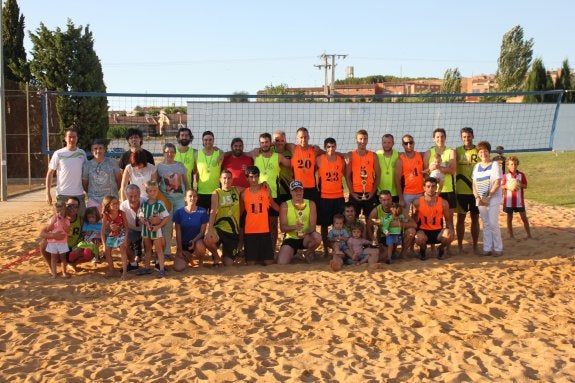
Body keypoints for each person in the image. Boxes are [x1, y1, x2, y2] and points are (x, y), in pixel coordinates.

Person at [250, 132, 291, 250]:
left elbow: (294, 163)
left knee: (273, 224)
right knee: (260, 223)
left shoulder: (277, 157)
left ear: (270, 143)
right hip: (258, 195)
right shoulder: (255, 156)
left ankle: (272, 250)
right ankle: (260, 248)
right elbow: (240, 153)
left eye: (266, 142)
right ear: (260, 143)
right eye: (262, 142)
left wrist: (290, 146)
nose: (264, 144)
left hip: (274, 195)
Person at [241, 165, 280, 265]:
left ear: (259, 177)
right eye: (251, 177)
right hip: (250, 232)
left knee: (269, 262)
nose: (254, 179)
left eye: (256, 176)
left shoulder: (266, 190)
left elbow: (273, 204)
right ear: (247, 178)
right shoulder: (244, 193)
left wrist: (285, 210)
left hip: (264, 231)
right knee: (251, 263)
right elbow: (240, 212)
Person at [277, 180, 322, 265]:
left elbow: (313, 226)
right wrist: (295, 227)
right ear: (290, 192)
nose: (298, 192)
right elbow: (283, 228)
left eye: (300, 190)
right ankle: (293, 253)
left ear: (303, 191)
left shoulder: (311, 204)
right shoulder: (285, 205)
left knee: (317, 237)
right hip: (291, 237)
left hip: (306, 237)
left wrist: (306, 232)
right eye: (295, 190)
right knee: (282, 262)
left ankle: (308, 252)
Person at [366, 190, 416, 264]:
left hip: (398, 233)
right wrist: (373, 239)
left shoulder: (397, 208)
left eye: (388, 199)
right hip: (386, 235)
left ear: (392, 199)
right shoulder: (376, 210)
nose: (386, 202)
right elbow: (368, 224)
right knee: (387, 253)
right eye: (384, 200)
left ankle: (403, 253)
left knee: (411, 231)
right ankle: (374, 258)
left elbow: (414, 224)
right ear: (380, 200)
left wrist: (399, 224)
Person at [204, 170, 241, 266]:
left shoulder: (236, 190)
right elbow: (212, 211)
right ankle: (216, 255)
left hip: (233, 231)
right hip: (220, 228)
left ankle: (223, 251)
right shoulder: (216, 193)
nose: (226, 180)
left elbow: (252, 189)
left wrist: (262, 184)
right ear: (220, 179)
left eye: (229, 178)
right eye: (224, 178)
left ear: (232, 180)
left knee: (228, 263)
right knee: (207, 239)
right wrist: (209, 230)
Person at [45, 129, 87, 215]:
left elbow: (86, 172)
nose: (72, 139)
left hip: (78, 194)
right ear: (65, 138)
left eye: (74, 137)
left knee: (81, 220)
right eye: (69, 137)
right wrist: (47, 193)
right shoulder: (58, 153)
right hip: (62, 194)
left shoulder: (82, 153)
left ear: (77, 138)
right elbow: (50, 173)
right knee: (61, 222)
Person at [157, 143, 188, 258]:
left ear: (175, 153)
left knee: (181, 226)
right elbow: (156, 184)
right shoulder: (159, 167)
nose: (169, 154)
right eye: (167, 152)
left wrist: (188, 195)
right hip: (167, 200)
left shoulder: (180, 165)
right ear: (164, 153)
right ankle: (166, 252)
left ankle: (182, 250)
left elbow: (186, 181)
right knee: (167, 226)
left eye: (172, 152)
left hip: (180, 200)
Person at [316, 137, 346, 257]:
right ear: (325, 148)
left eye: (333, 146)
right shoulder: (319, 159)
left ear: (336, 147)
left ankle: (336, 249)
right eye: (328, 147)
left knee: (337, 225)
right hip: (324, 196)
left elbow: (347, 176)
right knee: (324, 225)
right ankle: (325, 250)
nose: (331, 149)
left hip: (338, 196)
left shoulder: (341, 160)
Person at [472, 141, 503, 256]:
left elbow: (497, 182)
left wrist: (489, 196)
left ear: (489, 152)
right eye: (480, 151)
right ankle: (487, 248)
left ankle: (498, 248)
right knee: (485, 223)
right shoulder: (477, 166)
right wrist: (477, 197)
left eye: (485, 151)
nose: (483, 153)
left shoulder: (495, 165)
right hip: (480, 199)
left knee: (493, 223)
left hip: (492, 199)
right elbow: (474, 184)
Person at [413, 177, 454, 260]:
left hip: (438, 232)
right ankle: (423, 249)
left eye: (433, 186)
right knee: (418, 238)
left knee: (449, 235)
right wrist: (414, 232)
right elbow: (414, 219)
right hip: (424, 231)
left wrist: (451, 231)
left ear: (436, 187)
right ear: (424, 188)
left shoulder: (443, 203)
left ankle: (441, 249)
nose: (431, 189)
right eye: (428, 186)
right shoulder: (417, 202)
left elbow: (447, 220)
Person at [39, 197, 83, 272]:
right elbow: (42, 233)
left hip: (72, 250)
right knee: (43, 244)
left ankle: (70, 263)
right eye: (69, 206)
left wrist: (80, 247)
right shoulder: (55, 218)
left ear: (78, 208)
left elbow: (84, 236)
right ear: (65, 206)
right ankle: (51, 268)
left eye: (75, 206)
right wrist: (53, 235)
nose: (72, 208)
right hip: (57, 248)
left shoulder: (81, 220)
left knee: (88, 250)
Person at [136, 181, 170, 277]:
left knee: (158, 250)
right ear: (147, 192)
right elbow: (141, 215)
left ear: (157, 191)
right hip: (146, 230)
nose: (153, 193)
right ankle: (147, 268)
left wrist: (158, 226)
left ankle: (161, 269)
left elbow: (166, 217)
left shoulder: (159, 204)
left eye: (155, 190)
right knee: (147, 249)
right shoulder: (145, 204)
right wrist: (143, 220)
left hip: (156, 230)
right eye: (150, 191)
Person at [455, 127, 480, 254]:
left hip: (476, 192)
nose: (466, 139)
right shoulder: (457, 151)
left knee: (475, 218)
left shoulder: (479, 151)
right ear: (461, 138)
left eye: (468, 136)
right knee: (461, 219)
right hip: (461, 191)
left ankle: (475, 246)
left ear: (473, 136)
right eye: (464, 137)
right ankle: (459, 246)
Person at [345, 129, 380, 218]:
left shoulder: (373, 155)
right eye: (360, 139)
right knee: (352, 220)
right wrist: (352, 193)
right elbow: (347, 176)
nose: (363, 141)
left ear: (367, 140)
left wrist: (372, 192)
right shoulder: (351, 155)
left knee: (370, 220)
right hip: (355, 193)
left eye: (365, 139)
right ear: (356, 140)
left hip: (369, 193)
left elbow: (378, 176)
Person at [423, 128, 457, 221]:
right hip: (432, 191)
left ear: (445, 138)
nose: (440, 139)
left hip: (448, 189)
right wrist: (432, 179)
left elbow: (452, 171)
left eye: (442, 136)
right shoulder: (428, 153)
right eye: (437, 137)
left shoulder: (451, 151)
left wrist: (436, 168)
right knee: (436, 220)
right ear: (433, 138)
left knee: (449, 220)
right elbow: (425, 173)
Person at [173, 189, 209, 271]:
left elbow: (202, 232)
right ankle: (189, 258)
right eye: (190, 196)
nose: (192, 198)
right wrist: (180, 249)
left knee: (200, 245)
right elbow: (178, 232)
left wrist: (194, 240)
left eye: (195, 196)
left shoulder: (202, 211)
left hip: (197, 242)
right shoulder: (179, 212)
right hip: (184, 244)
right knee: (178, 268)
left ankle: (200, 262)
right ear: (185, 198)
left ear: (197, 198)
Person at [82, 139, 122, 212]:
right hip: (94, 200)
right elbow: (85, 184)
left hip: (111, 200)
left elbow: (119, 181)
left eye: (100, 148)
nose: (98, 151)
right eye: (95, 149)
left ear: (104, 150)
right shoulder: (87, 165)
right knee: (94, 222)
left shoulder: (112, 162)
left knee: (112, 222)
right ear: (91, 151)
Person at [286, 127, 323, 205]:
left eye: (305, 137)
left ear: (309, 137)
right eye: (301, 137)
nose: (303, 139)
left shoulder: (314, 150)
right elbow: (279, 143)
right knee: (299, 213)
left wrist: (343, 155)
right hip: (297, 188)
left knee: (313, 212)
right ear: (297, 138)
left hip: (311, 188)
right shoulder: (293, 148)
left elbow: (328, 152)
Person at [502, 156, 532, 239]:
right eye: (511, 164)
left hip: (519, 200)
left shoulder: (521, 175)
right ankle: (511, 236)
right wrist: (507, 186)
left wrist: (519, 184)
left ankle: (529, 235)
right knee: (509, 218)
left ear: (517, 165)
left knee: (524, 218)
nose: (513, 166)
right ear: (508, 165)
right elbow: (502, 186)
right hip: (509, 200)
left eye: (515, 164)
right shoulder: (505, 176)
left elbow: (525, 186)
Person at [100, 195, 129, 279]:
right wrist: (103, 244)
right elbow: (102, 230)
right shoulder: (106, 215)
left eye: (117, 203)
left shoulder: (121, 213)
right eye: (114, 204)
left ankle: (124, 272)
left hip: (121, 233)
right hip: (112, 234)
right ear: (108, 206)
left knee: (123, 249)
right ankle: (111, 270)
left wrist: (125, 239)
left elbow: (126, 227)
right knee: (107, 250)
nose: (116, 205)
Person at [119, 184, 146, 271]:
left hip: (147, 230)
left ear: (140, 195)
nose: (133, 199)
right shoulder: (123, 206)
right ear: (126, 196)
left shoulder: (147, 202)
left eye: (136, 196)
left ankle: (157, 263)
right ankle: (133, 263)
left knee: (159, 237)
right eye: (130, 196)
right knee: (122, 241)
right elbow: (123, 225)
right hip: (132, 230)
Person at [395, 134, 424, 213]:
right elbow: (397, 180)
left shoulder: (419, 155)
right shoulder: (400, 160)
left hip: (420, 191)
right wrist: (401, 198)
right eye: (406, 143)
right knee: (404, 217)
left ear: (414, 143)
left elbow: (424, 172)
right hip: (407, 193)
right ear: (403, 145)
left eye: (411, 142)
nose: (409, 145)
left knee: (418, 215)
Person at [195, 130, 222, 211]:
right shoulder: (196, 154)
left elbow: (228, 153)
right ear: (202, 141)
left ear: (213, 141)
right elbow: (195, 172)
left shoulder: (219, 153)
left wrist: (223, 153)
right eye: (206, 140)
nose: (208, 142)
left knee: (214, 217)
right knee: (201, 218)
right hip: (201, 192)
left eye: (210, 140)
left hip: (215, 191)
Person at [44, 201, 71, 278]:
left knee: (63, 257)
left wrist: (62, 221)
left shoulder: (66, 220)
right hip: (53, 242)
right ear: (55, 211)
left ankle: (64, 272)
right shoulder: (52, 219)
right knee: (53, 258)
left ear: (65, 210)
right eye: (58, 211)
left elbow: (67, 230)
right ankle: (54, 274)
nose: (60, 212)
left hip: (62, 242)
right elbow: (48, 229)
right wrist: (53, 222)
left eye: (62, 210)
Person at [376, 134, 400, 203]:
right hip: (380, 192)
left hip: (394, 193)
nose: (387, 145)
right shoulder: (377, 155)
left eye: (389, 142)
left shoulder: (398, 155)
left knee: (393, 213)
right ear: (382, 143)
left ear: (393, 143)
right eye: (384, 142)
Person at [272, 130, 293, 206]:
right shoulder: (268, 152)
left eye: (282, 140)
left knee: (288, 215)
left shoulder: (290, 152)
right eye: (277, 140)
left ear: (285, 141)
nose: (280, 142)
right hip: (273, 190)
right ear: (273, 141)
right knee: (273, 216)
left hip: (288, 188)